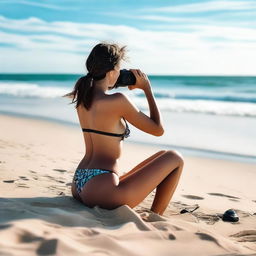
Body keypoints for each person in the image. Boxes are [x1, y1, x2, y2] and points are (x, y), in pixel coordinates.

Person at [68, 42, 184, 216]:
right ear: (112, 72)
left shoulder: (83, 98)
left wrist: (110, 81)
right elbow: (158, 130)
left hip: (79, 183)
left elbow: (101, 92)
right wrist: (147, 89)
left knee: (163, 155)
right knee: (175, 158)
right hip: (101, 189)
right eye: (119, 69)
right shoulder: (118, 100)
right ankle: (155, 217)